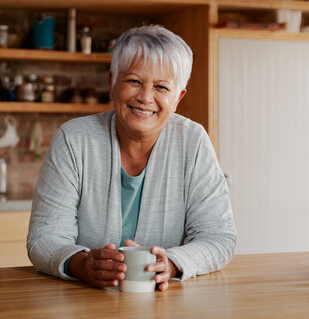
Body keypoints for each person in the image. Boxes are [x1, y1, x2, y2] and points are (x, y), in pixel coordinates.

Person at [27, 25, 236, 291]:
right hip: (83, 300)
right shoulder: (73, 139)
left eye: (161, 87)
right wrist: (82, 265)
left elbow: (219, 238)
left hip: (167, 304)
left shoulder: (193, 141)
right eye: (134, 81)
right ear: (112, 83)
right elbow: (43, 239)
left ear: (177, 98)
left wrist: (172, 263)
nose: (145, 97)